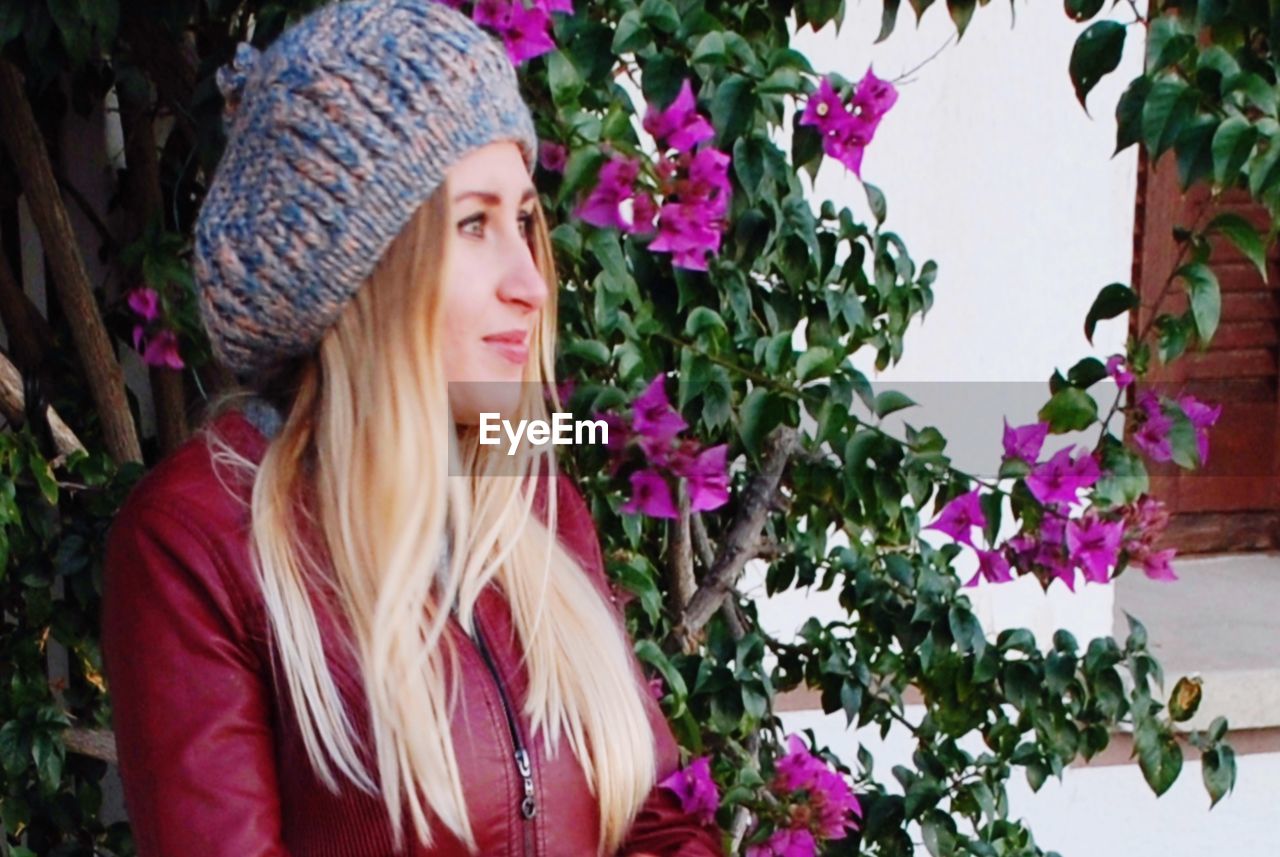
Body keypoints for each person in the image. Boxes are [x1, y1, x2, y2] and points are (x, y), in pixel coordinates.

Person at [99, 2, 724, 855]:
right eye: (474, 224)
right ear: (361, 269)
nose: (531, 284)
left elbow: (651, 817)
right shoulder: (201, 539)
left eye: (525, 222)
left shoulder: (529, 490)